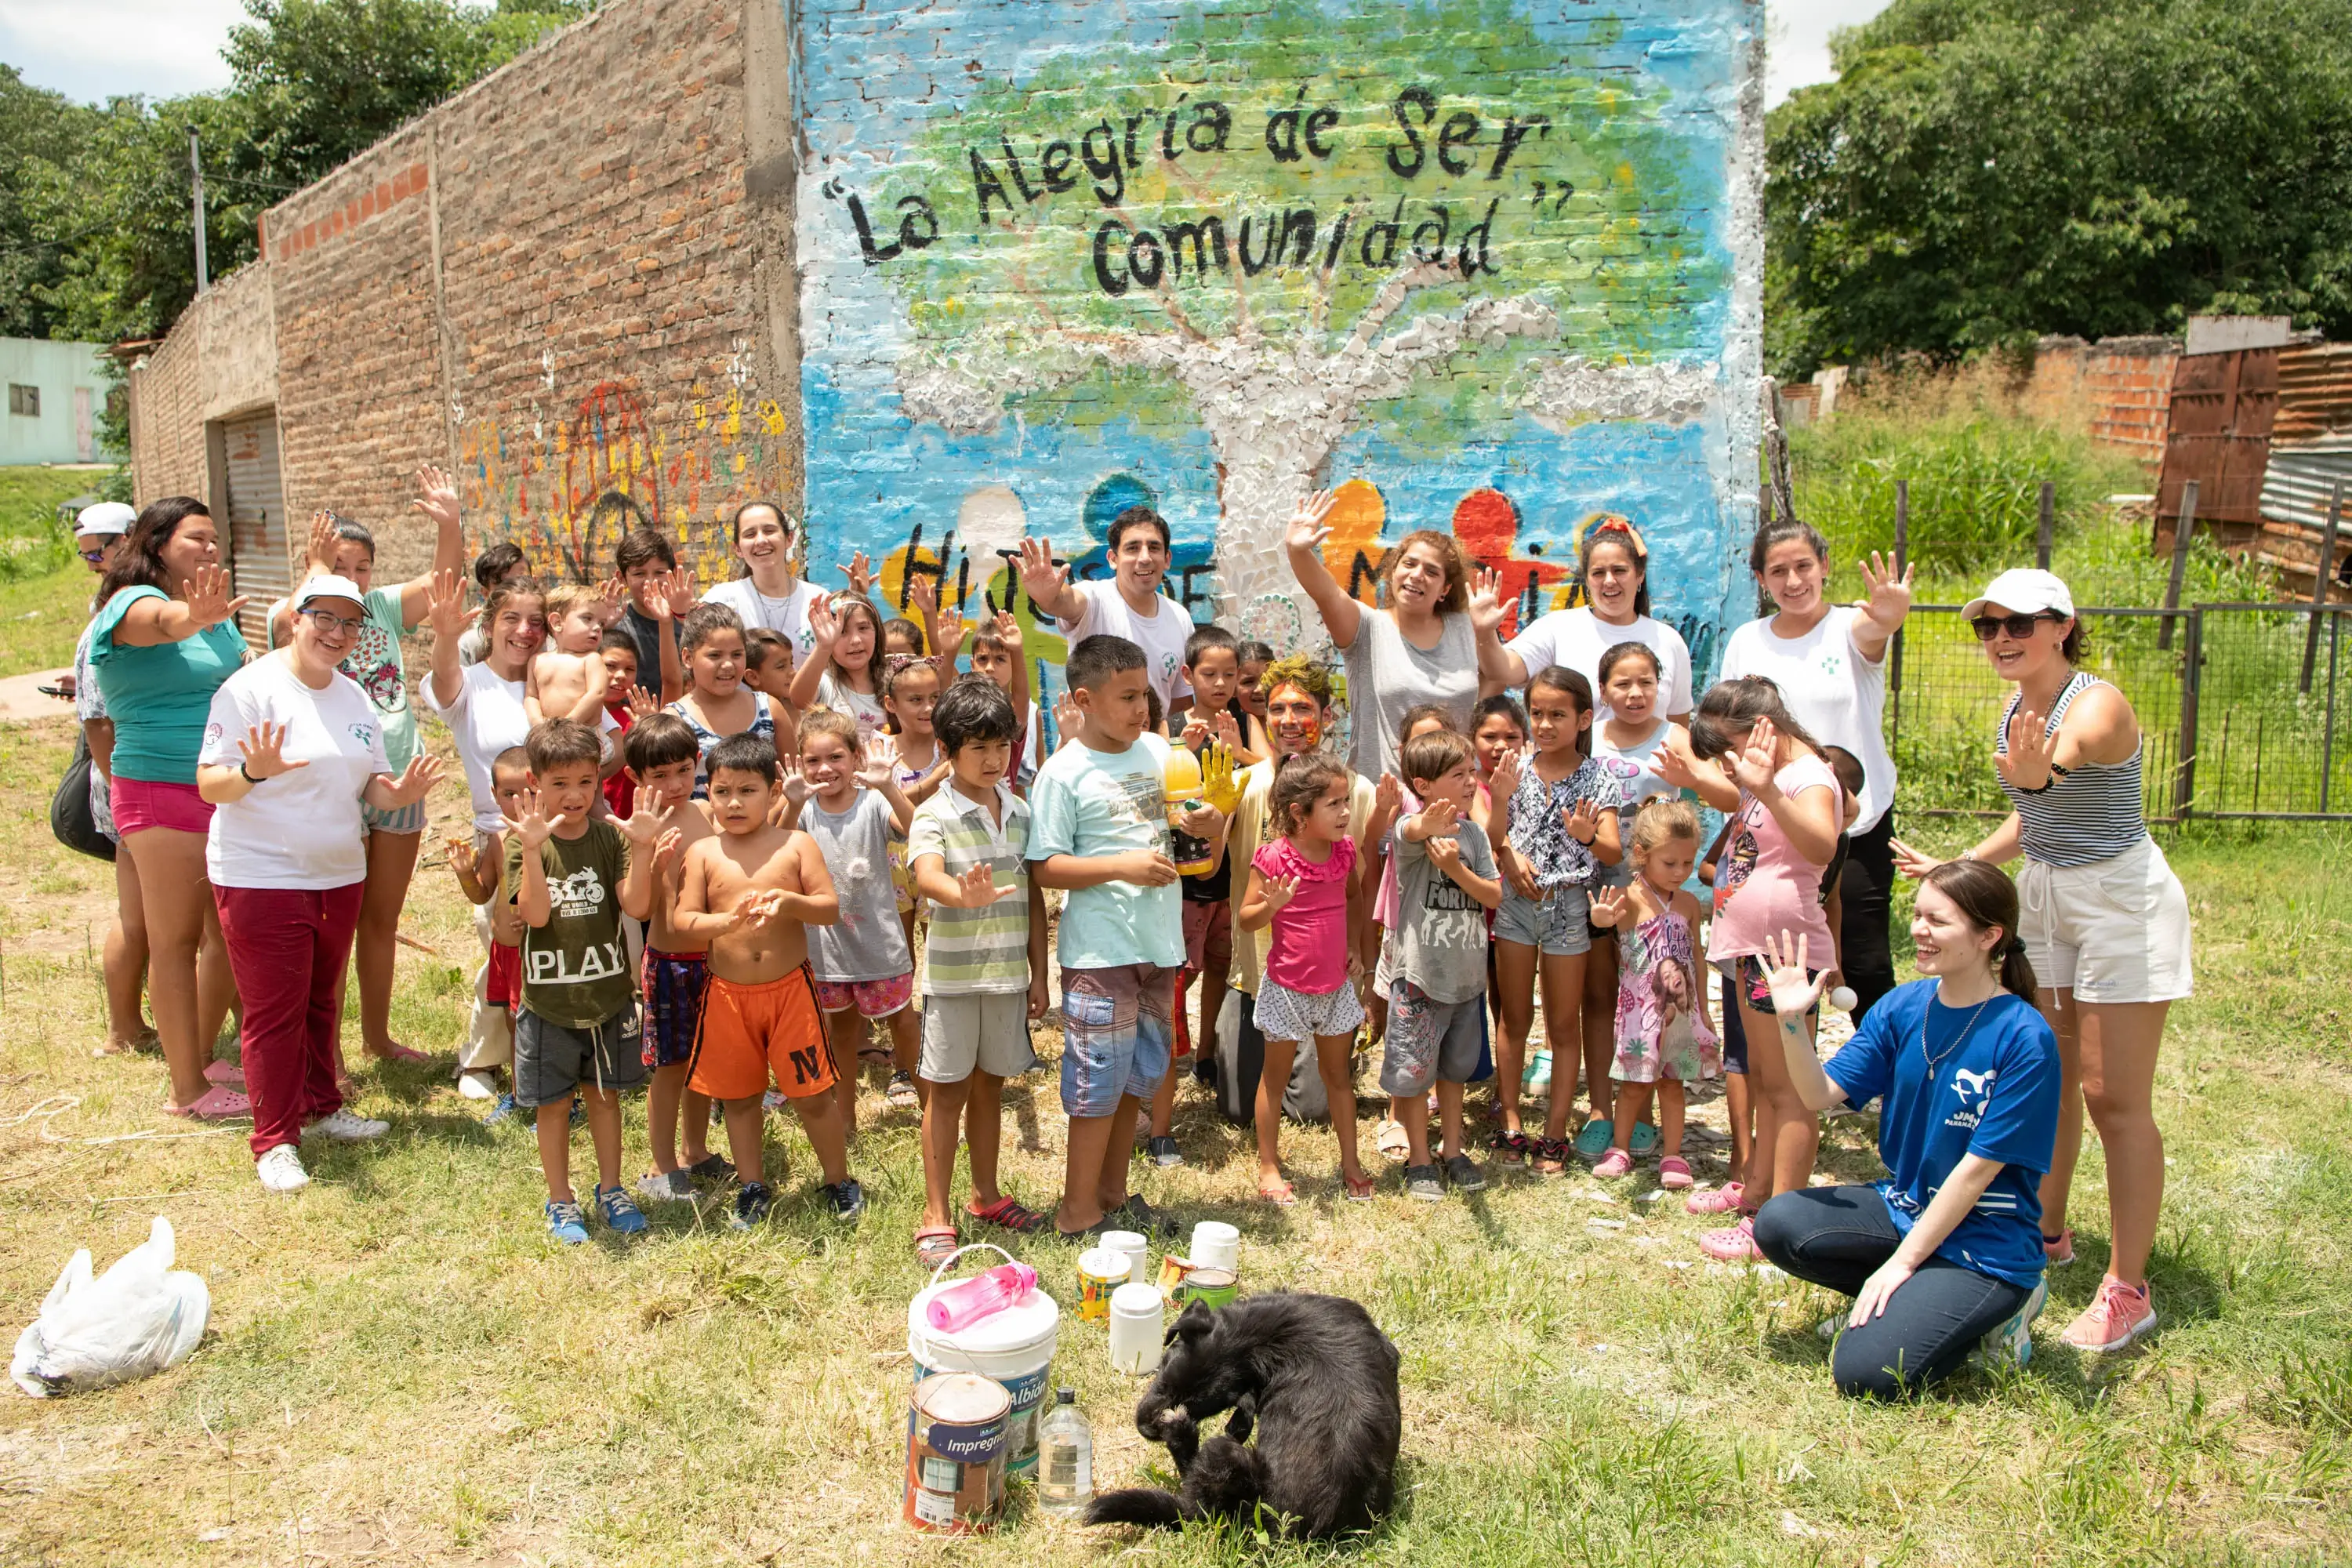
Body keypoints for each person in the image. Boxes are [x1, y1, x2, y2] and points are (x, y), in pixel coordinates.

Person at [1893, 568, 2189, 1355]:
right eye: (1987, 626)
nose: (2001, 637)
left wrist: (2039, 769)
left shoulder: (2096, 702)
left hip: (2121, 901)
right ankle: (2045, 1233)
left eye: (2019, 622)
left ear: (2062, 624)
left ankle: (2129, 1287)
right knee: (2046, 1081)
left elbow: (2067, 760)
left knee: (2111, 1095)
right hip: (2048, 892)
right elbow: (2032, 815)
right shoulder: (2014, 708)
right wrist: (1953, 864)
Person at [1750, 859, 2060, 1399]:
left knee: (1866, 1376)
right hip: (1907, 1206)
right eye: (1917, 915)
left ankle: (2004, 1310)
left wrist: (1900, 1265)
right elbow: (1818, 1096)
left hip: (1986, 1243)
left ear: (1990, 936)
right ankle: (1915, 1300)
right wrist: (1791, 1021)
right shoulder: (1903, 1006)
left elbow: (1976, 1170)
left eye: (1938, 921)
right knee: (1780, 1223)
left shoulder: (2024, 1038)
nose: (1918, 930)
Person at [195, 575, 444, 1190]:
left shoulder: (354, 697)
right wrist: (252, 772)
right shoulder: (249, 690)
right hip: (262, 874)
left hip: (338, 873)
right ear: (295, 618)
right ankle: (275, 1141)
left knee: (320, 1001)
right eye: (323, 619)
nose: (336, 634)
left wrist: (400, 795)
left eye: (350, 623)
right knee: (274, 1013)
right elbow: (209, 783)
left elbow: (371, 786)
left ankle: (322, 1108)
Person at [1028, 633, 1226, 1239]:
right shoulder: (1063, 773)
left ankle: (1111, 1195)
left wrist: (1211, 827)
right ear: (1083, 700)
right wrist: (1121, 867)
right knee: (1095, 1086)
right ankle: (1075, 1211)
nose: (1143, 708)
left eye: (1146, 694)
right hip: (1101, 951)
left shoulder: (1157, 754)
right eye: (1128, 697)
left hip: (1156, 946)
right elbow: (1043, 866)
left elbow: (1198, 859)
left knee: (1134, 1080)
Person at [1662, 677, 1842, 1261]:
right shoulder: (1769, 771)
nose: (1730, 761)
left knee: (1790, 1089)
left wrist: (1766, 788)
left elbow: (1821, 845)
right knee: (1767, 1079)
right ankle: (1759, 1192)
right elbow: (1734, 795)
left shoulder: (1807, 777)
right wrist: (1708, 779)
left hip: (1784, 955)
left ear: (1765, 726)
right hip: (1754, 948)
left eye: (1731, 747)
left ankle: (1780, 1224)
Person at [88, 497, 248, 1120]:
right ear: (157, 546)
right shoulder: (129, 603)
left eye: (215, 539)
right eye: (196, 539)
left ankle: (201, 1055)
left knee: (227, 937)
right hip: (160, 788)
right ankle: (187, 1091)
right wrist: (190, 616)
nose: (211, 548)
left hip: (222, 786)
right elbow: (161, 623)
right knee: (175, 940)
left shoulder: (219, 616)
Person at [1720, 517, 1913, 1021]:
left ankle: (1886, 1080)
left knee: (1864, 957)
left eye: (1804, 565)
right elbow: (1728, 722)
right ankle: (1786, 1077)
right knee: (1772, 955)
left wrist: (1889, 617)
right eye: (1778, 570)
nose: (1793, 581)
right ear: (1761, 579)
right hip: (1773, 822)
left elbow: (1874, 634)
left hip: (1853, 820)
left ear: (1824, 566)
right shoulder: (1747, 640)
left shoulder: (1850, 626)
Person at [673, 731, 862, 1227]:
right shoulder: (703, 854)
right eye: (721, 791)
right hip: (727, 996)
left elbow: (828, 909)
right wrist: (725, 924)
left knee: (811, 1095)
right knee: (738, 1098)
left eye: (747, 790)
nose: (733, 802)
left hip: (790, 994)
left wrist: (789, 903)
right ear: (708, 793)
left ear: (775, 790)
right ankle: (752, 1185)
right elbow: (683, 921)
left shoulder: (796, 844)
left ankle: (838, 1179)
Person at [906, 677, 1052, 1265]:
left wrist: (1041, 975)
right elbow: (927, 875)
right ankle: (935, 1212)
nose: (993, 760)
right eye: (978, 749)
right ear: (948, 750)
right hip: (953, 981)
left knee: (992, 1084)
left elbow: (1035, 900)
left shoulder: (1019, 811)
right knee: (947, 1094)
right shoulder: (933, 814)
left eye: (1002, 747)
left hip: (1007, 979)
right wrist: (958, 896)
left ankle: (985, 1196)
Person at [497, 718, 652, 1243]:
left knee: (606, 1099)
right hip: (548, 1004)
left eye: (586, 781)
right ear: (535, 784)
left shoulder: (611, 836)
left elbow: (637, 904)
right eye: (560, 783)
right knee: (555, 1105)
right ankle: (560, 1200)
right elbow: (535, 917)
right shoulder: (521, 843)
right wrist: (537, 851)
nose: (575, 794)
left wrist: (646, 849)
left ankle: (611, 1188)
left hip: (608, 997)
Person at [1218, 656, 1383, 1149]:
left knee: (1311, 1111)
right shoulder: (1245, 786)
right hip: (1257, 972)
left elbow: (1362, 888)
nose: (1288, 720)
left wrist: (1365, 963)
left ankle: (1335, 1053)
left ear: (1327, 716)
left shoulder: (1355, 794)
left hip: (1327, 975)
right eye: (1277, 709)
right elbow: (1209, 863)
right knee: (1234, 1109)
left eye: (1303, 708)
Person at [1486, 666, 1622, 1171]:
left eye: (1557, 715)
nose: (1544, 725)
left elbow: (1611, 847)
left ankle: (1557, 1127)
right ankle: (1512, 1121)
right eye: (1537, 714)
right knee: (1514, 1016)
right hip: (1517, 903)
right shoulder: (1514, 767)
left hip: (1569, 906)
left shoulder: (1597, 775)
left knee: (1564, 1023)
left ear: (1584, 718)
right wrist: (1504, 845)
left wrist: (1587, 834)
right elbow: (1492, 832)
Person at [1280, 488, 1511, 779]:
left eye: (1431, 571)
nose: (1417, 575)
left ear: (1445, 589)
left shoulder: (1466, 628)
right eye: (1410, 564)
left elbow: (1500, 676)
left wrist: (1486, 635)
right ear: (1393, 572)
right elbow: (1325, 592)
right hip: (1382, 801)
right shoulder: (1366, 628)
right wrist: (1297, 550)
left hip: (1454, 798)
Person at [423, 568, 547, 1100]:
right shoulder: (469, 682)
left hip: (560, 833)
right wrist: (445, 634)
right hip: (498, 834)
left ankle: (550, 1056)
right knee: (498, 946)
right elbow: (444, 682)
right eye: (511, 619)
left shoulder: (555, 676)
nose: (524, 630)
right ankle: (481, 1059)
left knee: (549, 950)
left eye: (536, 621)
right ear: (491, 624)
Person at [1236, 754, 1369, 1204]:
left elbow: (1354, 897)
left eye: (1347, 800)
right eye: (1334, 804)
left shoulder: (1345, 851)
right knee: (1273, 1079)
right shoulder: (1273, 857)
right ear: (1299, 812)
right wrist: (1271, 905)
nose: (1346, 812)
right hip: (1287, 989)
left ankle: (1350, 1162)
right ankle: (1269, 1166)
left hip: (1335, 988)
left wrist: (1353, 948)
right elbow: (1247, 920)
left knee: (1339, 1077)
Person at [781, 708, 920, 1130]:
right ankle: (846, 1118)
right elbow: (778, 844)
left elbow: (916, 829)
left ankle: (933, 1107)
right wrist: (789, 804)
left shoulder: (874, 801)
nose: (825, 769)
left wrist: (891, 787)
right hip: (828, 949)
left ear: (857, 757)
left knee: (903, 1024)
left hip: (880, 943)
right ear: (800, 764)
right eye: (813, 761)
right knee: (840, 1032)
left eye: (836, 758)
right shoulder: (804, 810)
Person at [1148, 625, 1257, 1163]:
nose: (1219, 684)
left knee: (1221, 966)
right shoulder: (1172, 732)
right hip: (1188, 883)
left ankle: (1208, 1057)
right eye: (1208, 674)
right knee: (1178, 977)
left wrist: (1241, 751)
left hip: (1231, 879)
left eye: (1229, 675)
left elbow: (1267, 777)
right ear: (1188, 675)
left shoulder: (1247, 726)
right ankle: (1169, 1062)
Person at [615, 713, 728, 1200]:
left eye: (683, 770)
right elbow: (637, 907)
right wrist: (647, 858)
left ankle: (694, 1150)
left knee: (705, 1059)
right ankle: (662, 1166)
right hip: (670, 963)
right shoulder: (634, 831)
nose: (675, 783)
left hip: (717, 960)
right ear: (634, 778)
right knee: (669, 1067)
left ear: (697, 763)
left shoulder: (707, 813)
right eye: (659, 775)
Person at [1385, 730, 1501, 1201]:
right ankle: (1419, 1158)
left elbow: (1493, 894)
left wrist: (1457, 870)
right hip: (1420, 981)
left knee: (1454, 1073)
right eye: (1460, 775)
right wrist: (1425, 823)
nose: (1472, 781)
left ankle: (1452, 1150)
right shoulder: (1410, 830)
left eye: (1472, 772)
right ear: (1424, 785)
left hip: (1466, 981)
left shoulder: (1474, 835)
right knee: (1415, 1074)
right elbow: (1409, 832)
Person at [1587, 640, 1693, 1155]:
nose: (1635, 692)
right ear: (1604, 690)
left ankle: (1647, 1108)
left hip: (1656, 887)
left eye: (1646, 682)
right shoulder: (1591, 738)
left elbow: (1692, 800)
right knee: (1607, 995)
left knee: (1652, 994)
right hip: (1597, 877)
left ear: (1660, 686)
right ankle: (1603, 1107)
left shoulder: (1676, 736)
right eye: (1622, 683)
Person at [1588, 799, 1718, 1188]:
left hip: (1680, 1012)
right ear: (1642, 854)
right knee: (1633, 1085)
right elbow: (1605, 922)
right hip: (1639, 1013)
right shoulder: (1629, 898)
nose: (1680, 872)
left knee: (1673, 1084)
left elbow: (1696, 957)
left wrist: (1705, 1010)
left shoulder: (1691, 904)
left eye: (1687, 863)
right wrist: (1600, 919)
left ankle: (1673, 1156)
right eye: (1670, 863)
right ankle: (1621, 1148)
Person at [68, 501, 156, 1058]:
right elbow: (99, 724)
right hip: (133, 786)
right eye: (86, 556)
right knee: (141, 918)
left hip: (144, 784)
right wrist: (123, 792)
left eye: (100, 549)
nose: (95, 562)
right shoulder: (109, 620)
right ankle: (124, 1028)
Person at [1494, 517, 1696, 723]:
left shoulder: (1669, 641)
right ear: (1587, 580)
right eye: (1598, 573)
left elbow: (1677, 729)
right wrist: (1484, 632)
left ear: (1640, 575)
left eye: (1619, 571)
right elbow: (1502, 670)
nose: (1609, 581)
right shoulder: (1558, 628)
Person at [1016, 509, 1197, 715]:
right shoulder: (1095, 599)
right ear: (1113, 559)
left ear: (1167, 559)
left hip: (1154, 746)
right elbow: (1067, 602)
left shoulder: (1180, 617)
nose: (1145, 558)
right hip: (1091, 747)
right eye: (1133, 548)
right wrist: (1049, 597)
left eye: (1154, 547)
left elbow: (1180, 705)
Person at [667, 603, 775, 798]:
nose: (728, 665)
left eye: (737, 655)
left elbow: (792, 780)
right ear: (688, 657)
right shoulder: (675, 720)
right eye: (715, 655)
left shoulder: (768, 708)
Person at [699, 500, 826, 662]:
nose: (761, 541)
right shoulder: (722, 599)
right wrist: (680, 613)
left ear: (789, 538)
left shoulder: (818, 600)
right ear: (737, 548)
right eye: (750, 534)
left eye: (769, 530)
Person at [789, 593, 890, 743]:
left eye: (863, 628)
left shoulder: (893, 679)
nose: (856, 640)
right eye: (842, 632)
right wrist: (824, 647)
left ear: (877, 631)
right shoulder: (825, 683)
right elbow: (799, 700)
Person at [608, 527, 687, 702]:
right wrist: (601, 626)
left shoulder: (687, 623)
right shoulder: (615, 626)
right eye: (639, 574)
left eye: (659, 573)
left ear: (673, 573)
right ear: (621, 578)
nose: (650, 582)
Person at [457, 542, 527, 666]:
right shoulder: (473, 646)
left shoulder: (553, 639)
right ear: (486, 593)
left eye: (523, 581)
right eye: (504, 587)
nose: (516, 592)